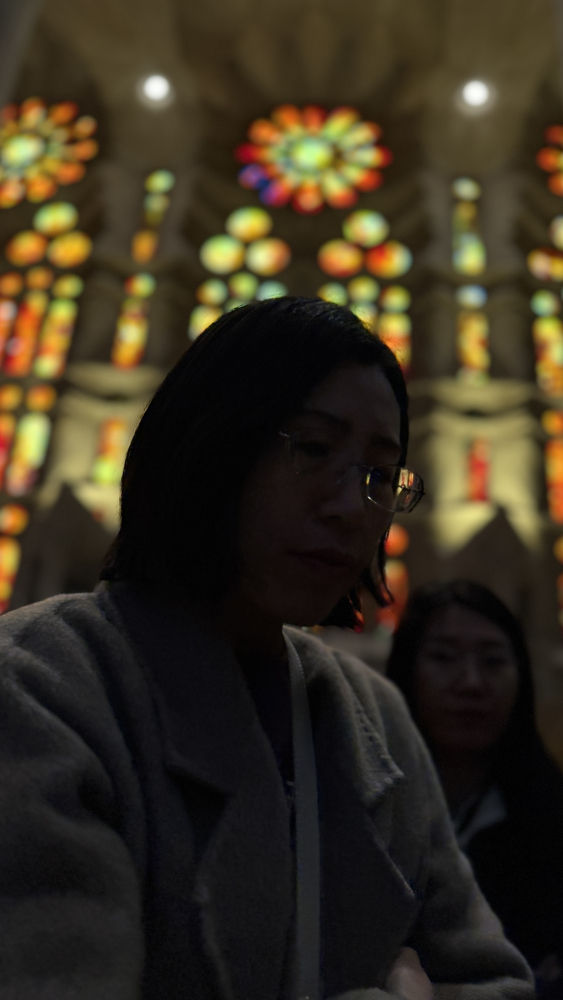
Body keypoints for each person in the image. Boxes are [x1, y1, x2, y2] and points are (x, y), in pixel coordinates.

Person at [0, 297, 533, 1000]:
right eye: (312, 449)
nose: (351, 509)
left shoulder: (377, 719)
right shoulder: (41, 684)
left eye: (379, 475)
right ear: (209, 446)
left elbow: (493, 978)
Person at [386, 578, 563, 996]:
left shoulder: (552, 818)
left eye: (493, 661)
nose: (471, 683)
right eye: (443, 658)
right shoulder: (369, 811)